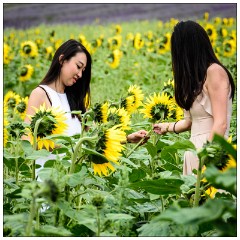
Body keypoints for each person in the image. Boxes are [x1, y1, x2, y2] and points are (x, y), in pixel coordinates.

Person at [23, 39, 148, 171]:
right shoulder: (41, 94)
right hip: (48, 179)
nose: (80, 74)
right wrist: (62, 145)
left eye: (83, 70)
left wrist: (128, 138)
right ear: (62, 60)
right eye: (78, 66)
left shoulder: (75, 101)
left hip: (74, 182)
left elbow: (95, 136)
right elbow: (27, 141)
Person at [153, 21, 235, 175]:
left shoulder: (215, 72)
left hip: (213, 153)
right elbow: (190, 122)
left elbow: (221, 123)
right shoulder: (195, 80)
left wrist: (206, 160)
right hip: (194, 152)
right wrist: (167, 127)